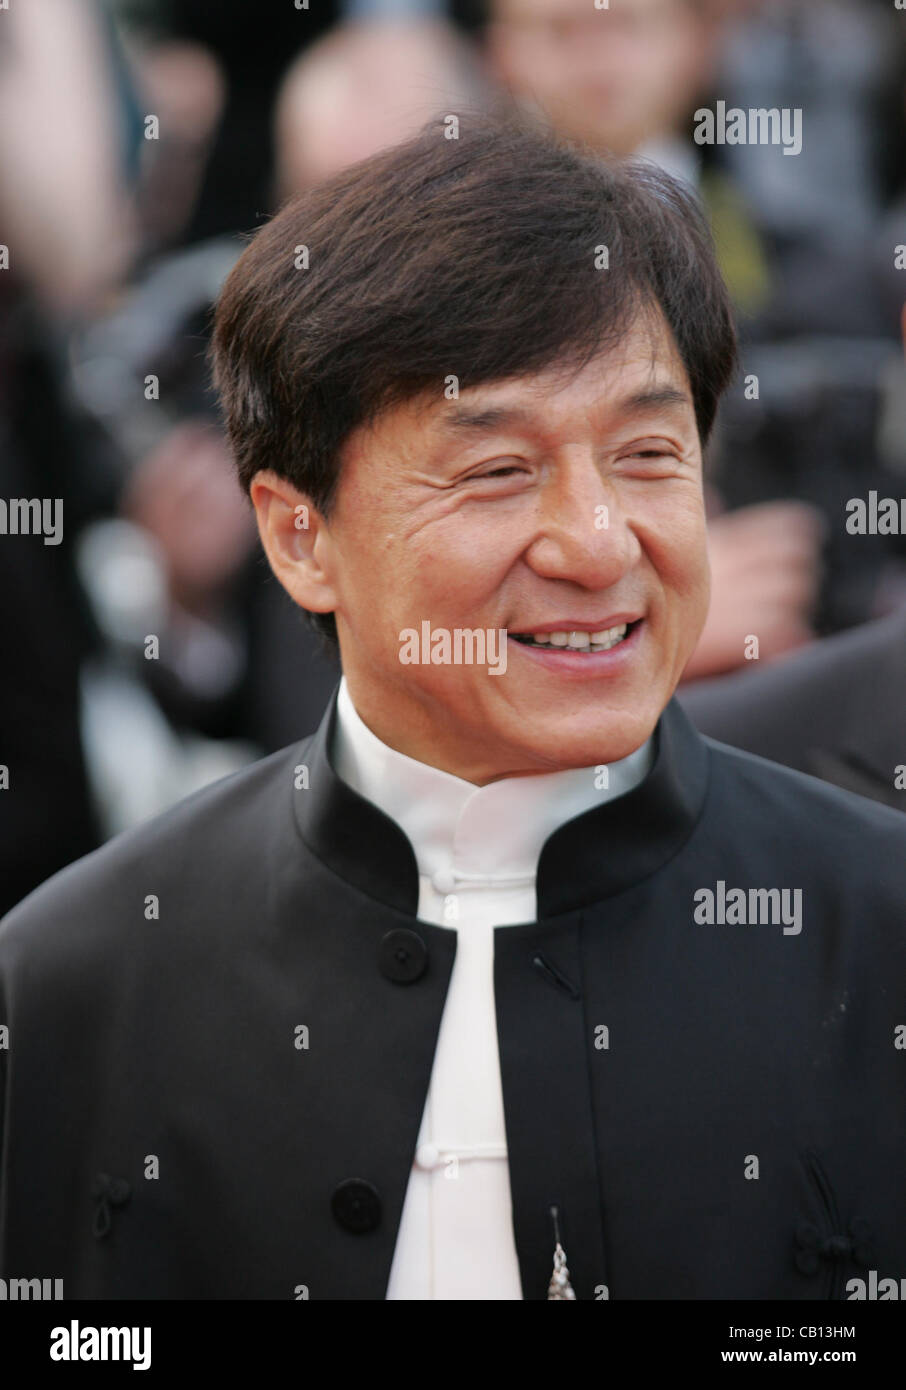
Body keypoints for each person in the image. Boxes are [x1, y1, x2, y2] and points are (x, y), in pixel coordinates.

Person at [1, 117, 904, 1301]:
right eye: (497, 470)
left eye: (646, 454)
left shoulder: (876, 929)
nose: (595, 542)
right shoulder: (78, 985)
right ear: (297, 535)